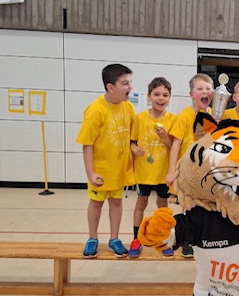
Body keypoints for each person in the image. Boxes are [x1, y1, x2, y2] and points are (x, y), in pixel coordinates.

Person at [76, 63, 136, 259]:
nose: (130, 87)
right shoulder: (95, 110)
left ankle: (114, 238)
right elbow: (87, 144)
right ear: (111, 87)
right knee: (96, 203)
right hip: (101, 171)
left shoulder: (128, 107)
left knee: (116, 203)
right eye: (125, 83)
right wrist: (90, 173)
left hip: (119, 170)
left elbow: (132, 138)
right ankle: (92, 238)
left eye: (130, 82)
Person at [128, 77, 177, 258]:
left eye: (165, 95)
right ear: (149, 96)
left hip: (163, 174)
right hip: (144, 172)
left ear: (170, 98)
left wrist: (165, 137)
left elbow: (174, 146)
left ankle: (162, 238)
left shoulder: (173, 119)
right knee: (141, 203)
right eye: (156, 94)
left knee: (162, 205)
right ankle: (136, 238)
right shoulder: (139, 118)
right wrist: (136, 149)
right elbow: (131, 143)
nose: (160, 98)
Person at [166, 73, 214, 258]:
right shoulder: (185, 116)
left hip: (206, 172)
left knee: (205, 208)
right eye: (200, 88)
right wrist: (172, 172)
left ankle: (202, 239)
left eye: (208, 89)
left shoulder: (212, 115)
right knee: (187, 207)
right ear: (191, 94)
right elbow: (175, 144)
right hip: (187, 171)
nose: (205, 92)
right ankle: (186, 241)